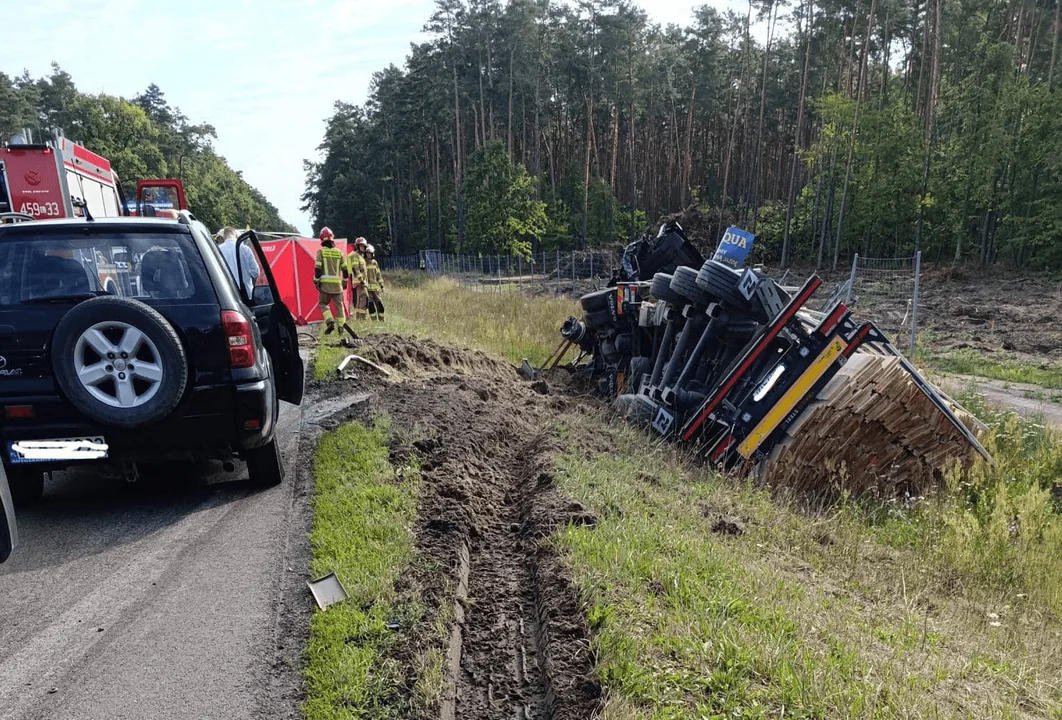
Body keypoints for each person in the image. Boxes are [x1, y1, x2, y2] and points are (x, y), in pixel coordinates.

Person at [313, 227, 356, 341]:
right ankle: (341, 329)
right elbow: (346, 272)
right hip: (338, 287)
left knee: (323, 304)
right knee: (339, 307)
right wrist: (344, 283)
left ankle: (330, 321)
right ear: (332, 238)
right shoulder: (339, 253)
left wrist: (316, 281)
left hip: (325, 286)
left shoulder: (321, 252)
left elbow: (317, 269)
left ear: (322, 239)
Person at [218, 227, 260, 296]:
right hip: (247, 293)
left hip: (227, 295)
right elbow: (255, 272)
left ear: (223, 237)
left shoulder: (218, 250)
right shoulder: (246, 249)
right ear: (236, 235)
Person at [347, 237, 369, 322]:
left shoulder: (359, 256)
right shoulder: (356, 255)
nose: (363, 248)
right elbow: (355, 268)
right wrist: (361, 279)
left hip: (360, 281)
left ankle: (359, 317)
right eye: (361, 246)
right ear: (357, 246)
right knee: (364, 298)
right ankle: (362, 318)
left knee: (361, 300)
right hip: (360, 282)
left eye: (364, 246)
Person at [364, 244, 385, 322]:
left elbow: (378, 275)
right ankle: (374, 321)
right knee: (371, 306)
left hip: (375, 289)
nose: (368, 255)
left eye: (370, 253)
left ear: (372, 254)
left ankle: (382, 320)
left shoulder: (374, 263)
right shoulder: (363, 262)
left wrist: (382, 285)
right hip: (367, 289)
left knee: (380, 305)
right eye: (367, 253)